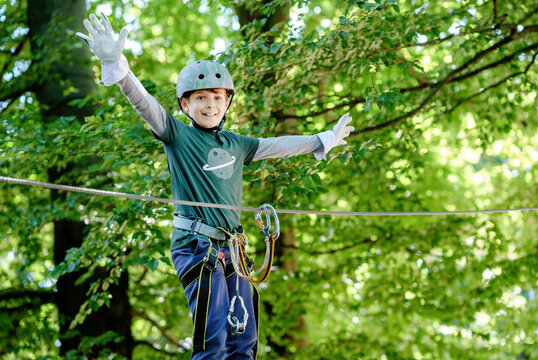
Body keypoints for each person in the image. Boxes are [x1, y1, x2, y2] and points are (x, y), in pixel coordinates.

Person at [76, 12, 354, 360]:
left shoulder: (237, 144)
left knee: (244, 341)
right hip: (196, 246)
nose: (211, 105)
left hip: (234, 250)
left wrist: (322, 139)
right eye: (202, 98)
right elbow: (144, 104)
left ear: (227, 104)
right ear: (185, 104)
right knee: (214, 338)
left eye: (219, 98)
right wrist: (118, 66)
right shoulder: (177, 135)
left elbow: (278, 145)